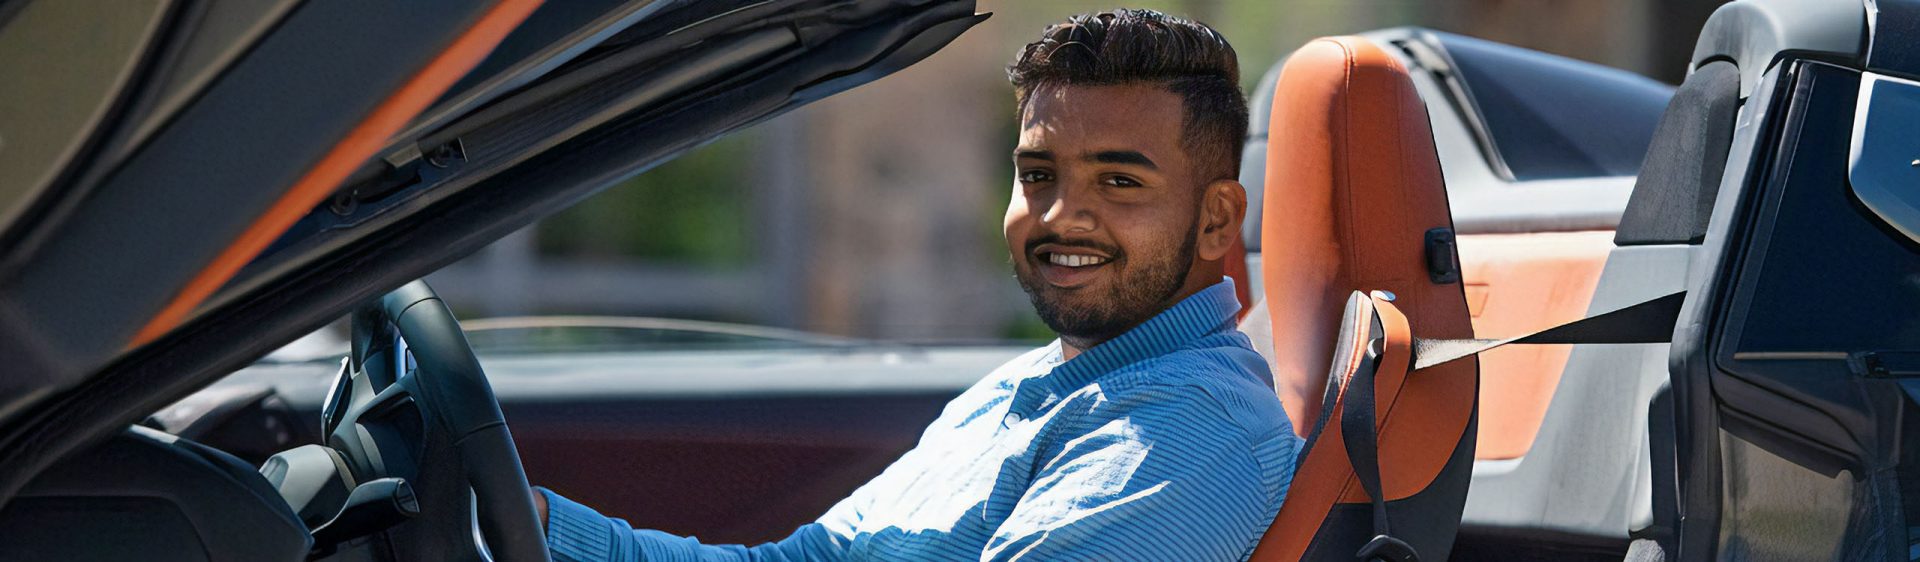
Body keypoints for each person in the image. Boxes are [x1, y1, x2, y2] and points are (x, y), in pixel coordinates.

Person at [531, 9, 1300, 561]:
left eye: (1120, 182)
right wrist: (527, 525)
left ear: (1215, 220)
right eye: (1037, 175)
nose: (1063, 217)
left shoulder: (1190, 429)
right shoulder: (1031, 383)